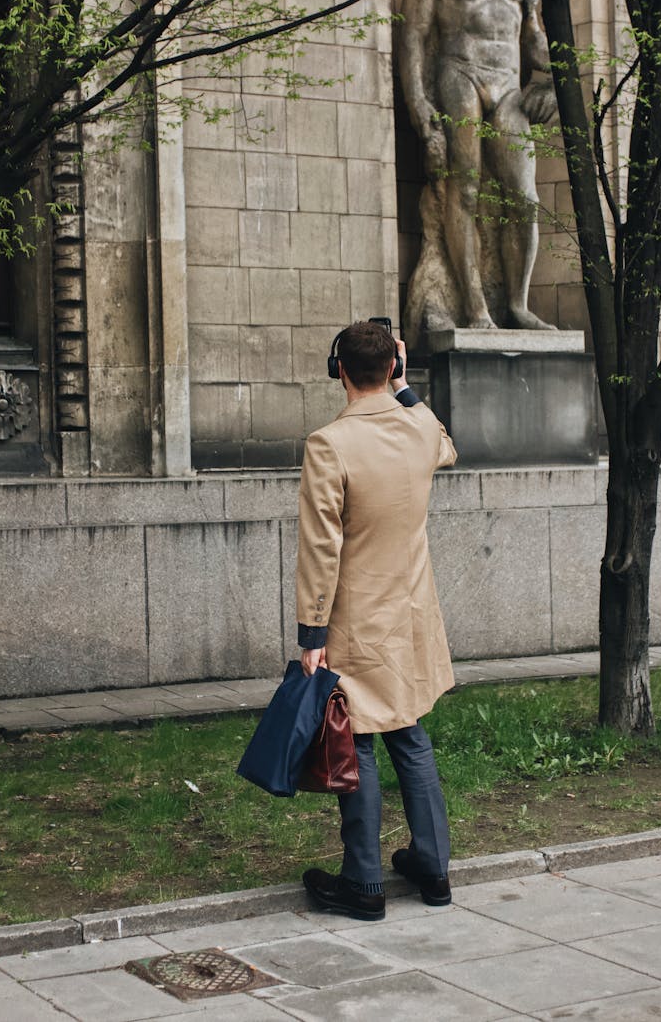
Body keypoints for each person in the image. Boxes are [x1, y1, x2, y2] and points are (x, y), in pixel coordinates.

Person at [297, 320, 457, 920]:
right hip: (410, 617)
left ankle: (363, 883)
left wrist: (311, 635)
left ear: (339, 369)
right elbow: (445, 442)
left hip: (355, 622)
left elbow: (320, 547)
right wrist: (407, 385)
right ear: (393, 366)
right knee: (409, 732)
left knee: (356, 738)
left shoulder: (329, 443)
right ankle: (434, 869)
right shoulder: (417, 428)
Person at [400, 0, 557, 336]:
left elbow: (536, 41)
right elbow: (413, 39)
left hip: (508, 83)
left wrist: (548, 83)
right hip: (458, 72)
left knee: (524, 199)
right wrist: (420, 109)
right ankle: (474, 307)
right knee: (463, 185)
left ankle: (518, 304)